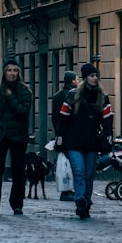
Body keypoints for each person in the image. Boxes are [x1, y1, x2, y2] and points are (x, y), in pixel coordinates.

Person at [57, 62, 113, 219]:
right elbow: (63, 119)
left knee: (89, 174)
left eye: (96, 75)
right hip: (74, 142)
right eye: (92, 75)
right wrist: (60, 139)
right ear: (85, 78)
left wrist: (108, 137)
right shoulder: (73, 96)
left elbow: (108, 119)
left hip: (92, 142)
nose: (95, 78)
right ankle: (80, 200)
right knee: (79, 172)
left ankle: (86, 201)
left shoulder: (102, 97)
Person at [0, 57, 33, 216]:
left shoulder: (25, 92)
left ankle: (17, 204)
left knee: (18, 171)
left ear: (19, 73)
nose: (12, 73)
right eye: (9, 70)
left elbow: (22, 111)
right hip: (1, 135)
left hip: (19, 136)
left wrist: (10, 96)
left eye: (15, 70)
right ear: (4, 73)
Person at [52, 70, 78, 201]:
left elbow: (54, 117)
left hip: (59, 132)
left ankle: (66, 189)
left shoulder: (56, 96)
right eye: (76, 79)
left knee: (63, 162)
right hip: (70, 133)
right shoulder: (72, 96)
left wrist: (57, 132)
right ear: (72, 81)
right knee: (70, 163)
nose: (78, 82)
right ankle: (67, 190)